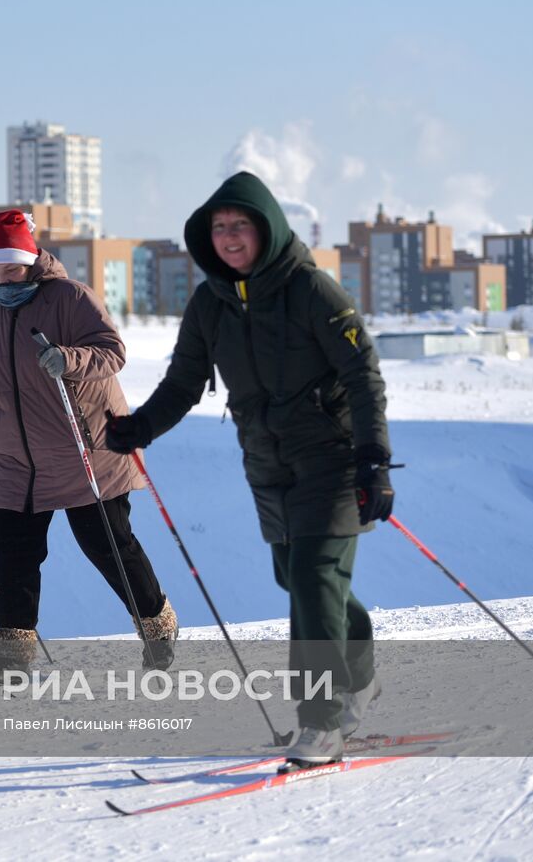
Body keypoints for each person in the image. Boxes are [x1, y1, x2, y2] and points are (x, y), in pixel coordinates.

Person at [104, 171, 395, 768]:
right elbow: (184, 381)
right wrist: (142, 427)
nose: (230, 237)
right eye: (219, 228)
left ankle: (321, 721)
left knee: (314, 583)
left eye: (240, 226)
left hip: (332, 460)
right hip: (266, 463)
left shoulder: (313, 291)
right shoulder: (210, 303)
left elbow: (362, 375)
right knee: (303, 580)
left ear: (266, 228)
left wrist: (374, 460)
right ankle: (360, 674)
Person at [0, 209, 177, 676]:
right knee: (14, 560)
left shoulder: (70, 298)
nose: (2, 280)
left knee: (109, 549)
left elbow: (112, 351)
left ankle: (158, 629)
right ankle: (12, 659)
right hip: (15, 463)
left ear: (32, 260)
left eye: (10, 269)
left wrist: (68, 358)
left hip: (84, 454)